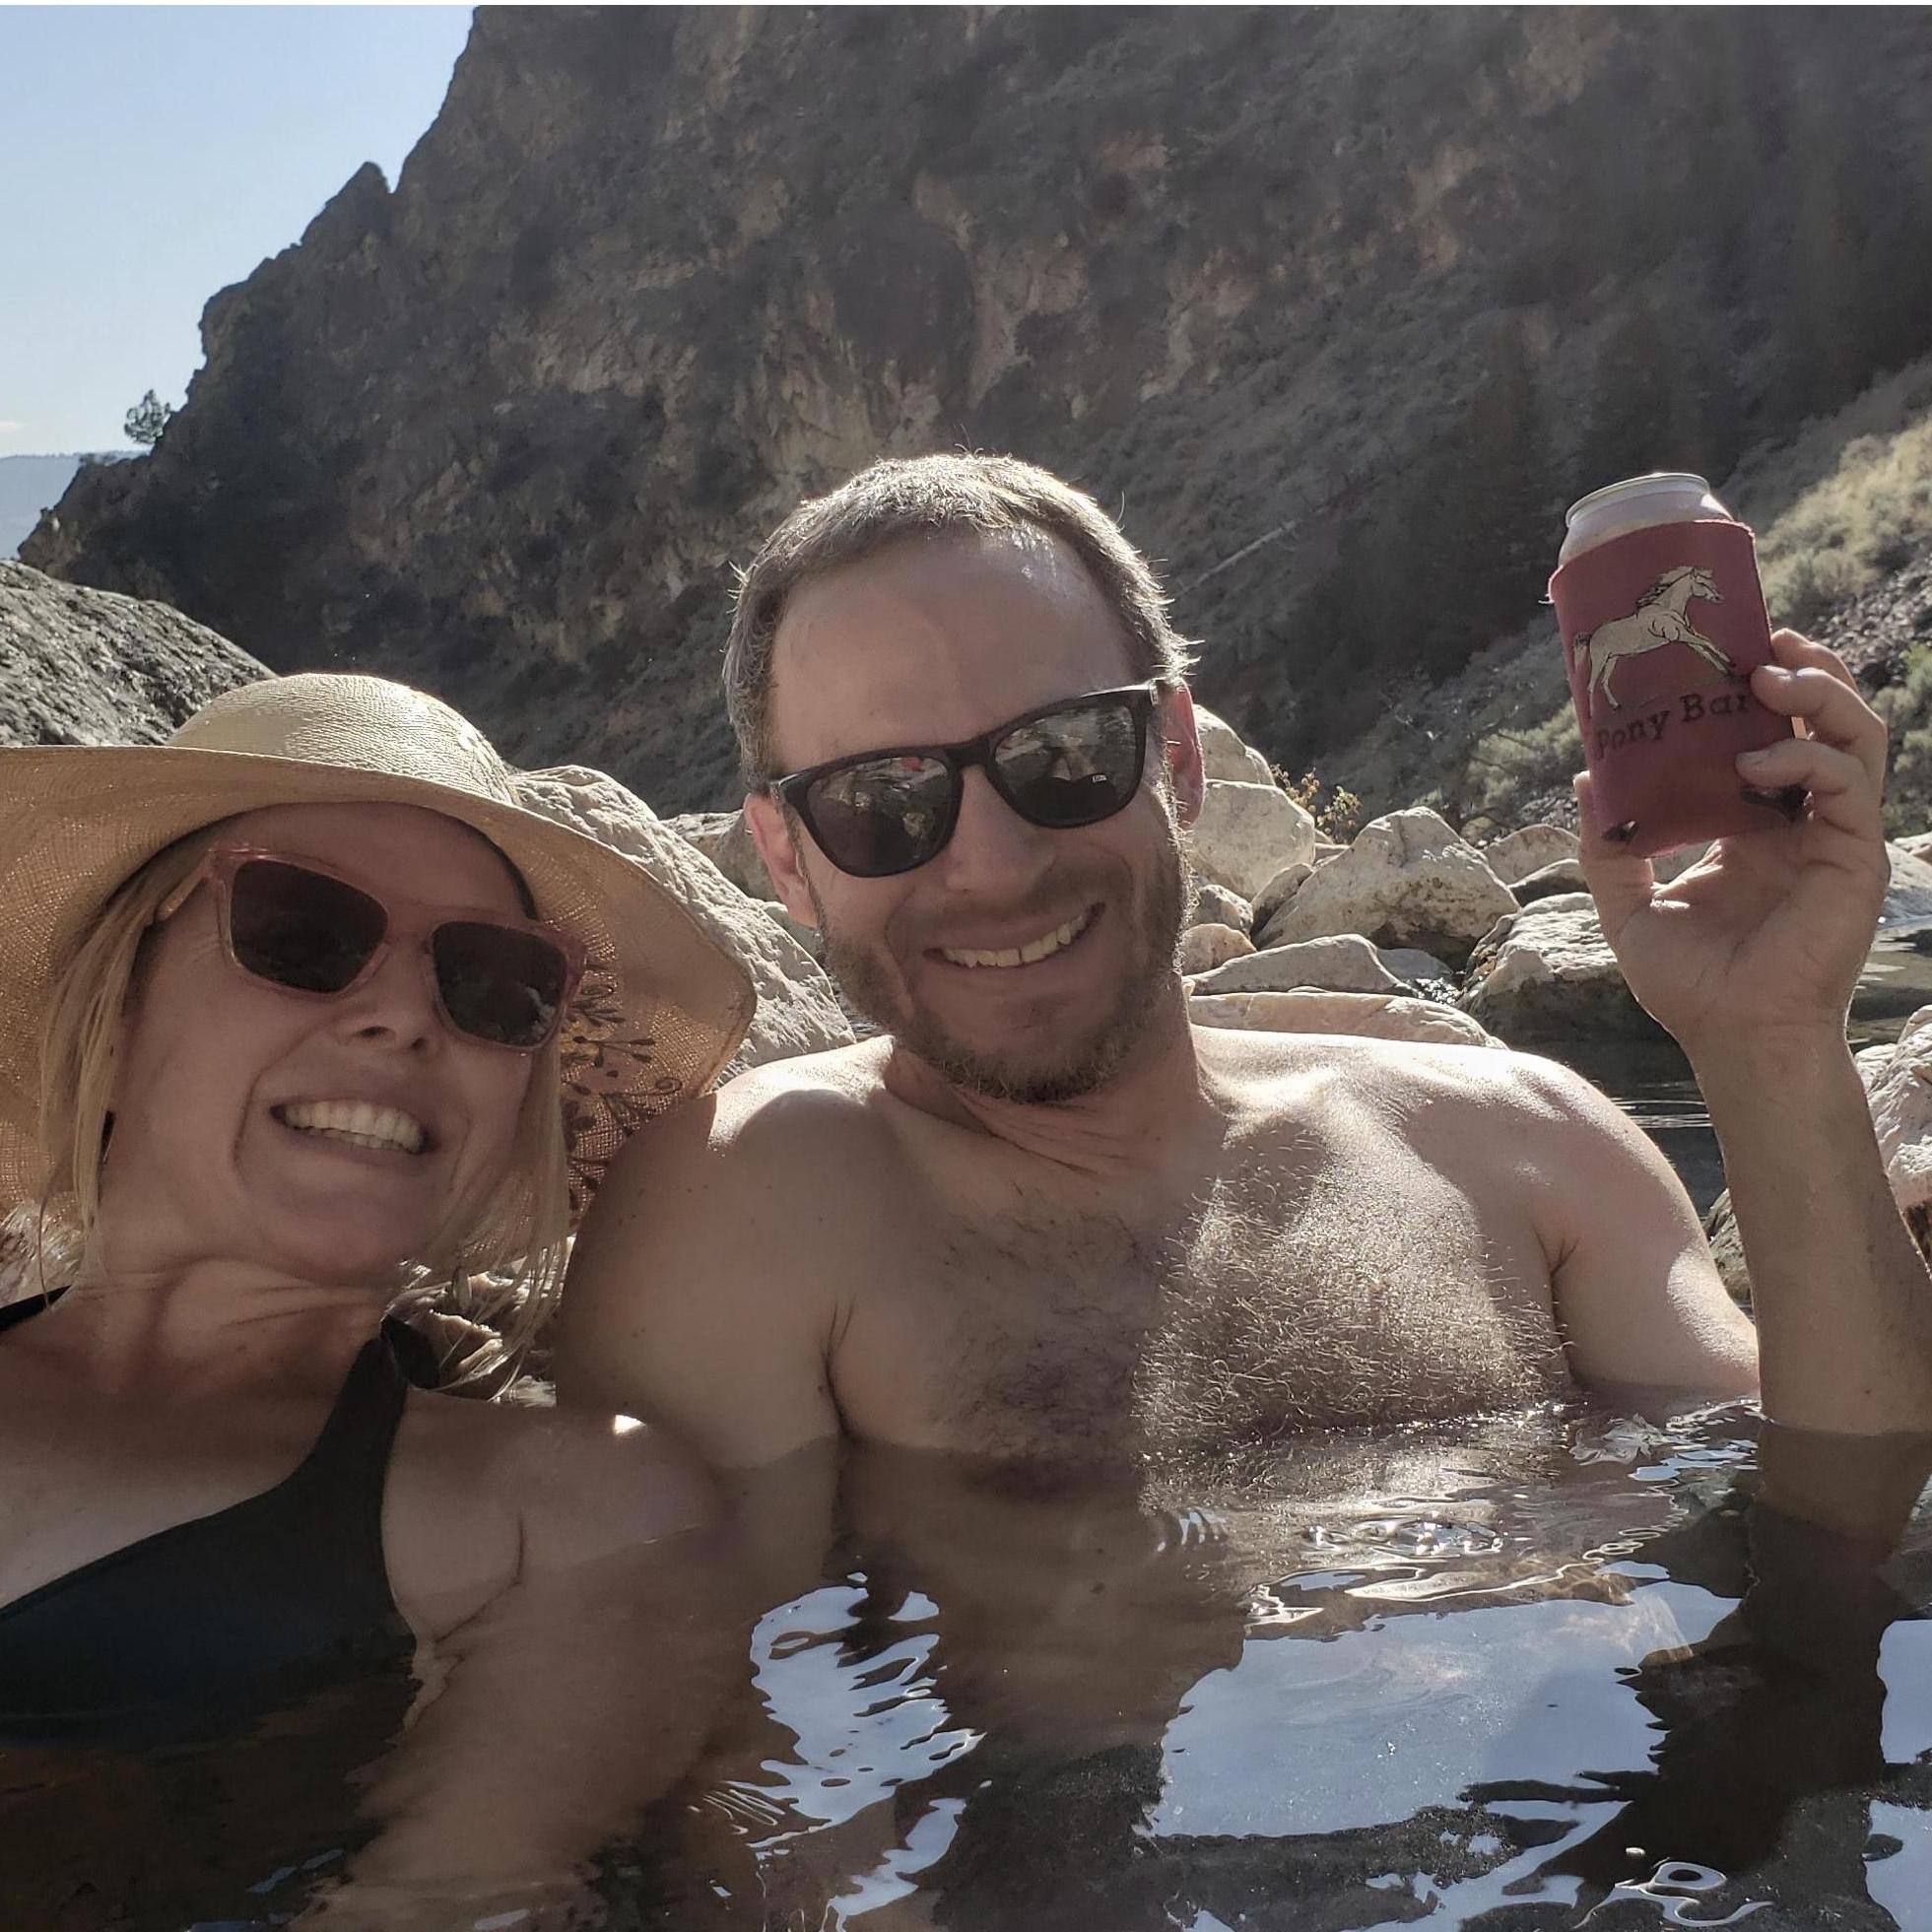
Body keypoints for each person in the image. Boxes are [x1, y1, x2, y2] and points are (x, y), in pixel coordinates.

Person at [557, 451, 1932, 1478]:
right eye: (880, 800)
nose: (986, 864)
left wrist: (1769, 1045)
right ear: (787, 858)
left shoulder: (1518, 1143)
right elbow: (724, 1759)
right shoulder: (750, 1210)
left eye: (1062, 757)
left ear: (1177, 753)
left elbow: (1841, 1521)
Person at [0, 672, 756, 1923]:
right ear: (119, 997)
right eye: (301, 930)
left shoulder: (564, 1515)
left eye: (492, 981)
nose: (405, 1015)